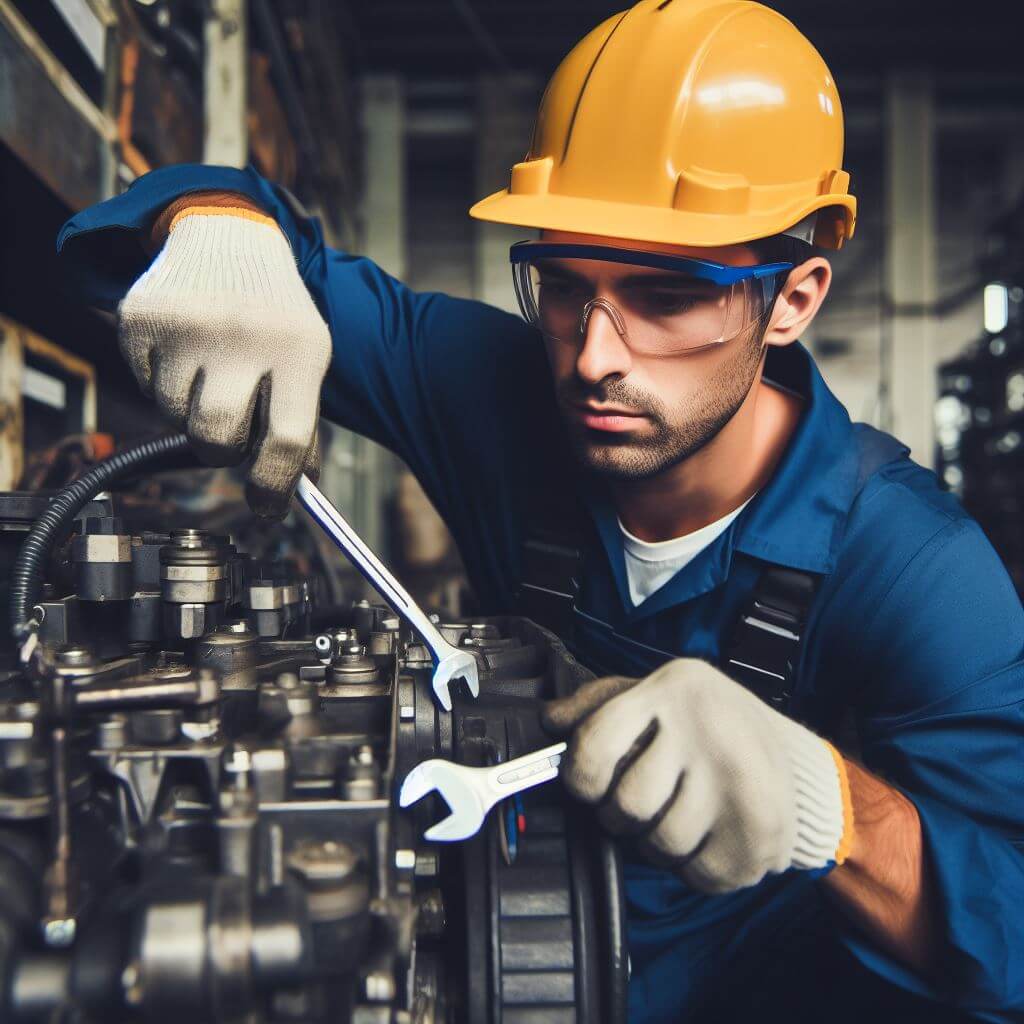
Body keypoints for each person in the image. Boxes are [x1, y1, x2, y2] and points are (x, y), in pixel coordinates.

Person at [55, 1, 1023, 1019]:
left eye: (666, 295)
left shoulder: (914, 565)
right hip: (493, 949)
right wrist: (214, 230)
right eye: (564, 285)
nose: (594, 355)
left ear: (793, 297)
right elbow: (148, 242)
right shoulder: (494, 389)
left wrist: (826, 806)